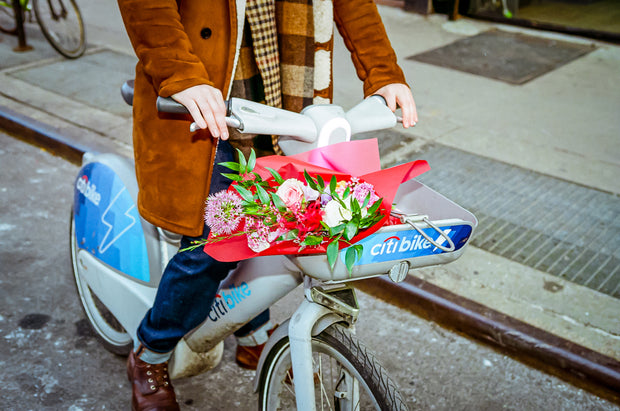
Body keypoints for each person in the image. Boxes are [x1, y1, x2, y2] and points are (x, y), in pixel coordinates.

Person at [117, 0, 418, 409]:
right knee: (212, 248)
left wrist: (383, 70)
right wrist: (179, 72)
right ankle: (149, 354)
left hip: (287, 99)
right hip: (207, 102)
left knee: (278, 229)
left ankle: (253, 335)